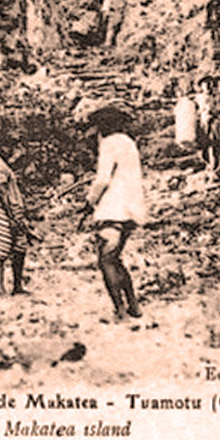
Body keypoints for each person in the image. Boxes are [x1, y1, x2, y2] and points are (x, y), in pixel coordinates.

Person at [79, 106, 145, 321]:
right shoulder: (129, 142)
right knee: (116, 259)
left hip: (112, 209)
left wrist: (90, 202)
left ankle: (120, 310)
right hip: (131, 208)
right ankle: (133, 305)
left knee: (106, 261)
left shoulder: (108, 144)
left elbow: (102, 180)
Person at [0, 154, 33, 296]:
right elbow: (1, 192)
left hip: (13, 209)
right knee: (1, 248)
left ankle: (17, 286)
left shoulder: (2, 165)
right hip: (3, 210)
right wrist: (11, 216)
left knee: (20, 248)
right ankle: (0, 289)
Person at [194, 75, 220, 181]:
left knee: (215, 146)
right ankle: (208, 166)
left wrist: (213, 112)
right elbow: (195, 110)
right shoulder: (198, 98)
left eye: (210, 84)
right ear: (202, 86)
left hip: (214, 123)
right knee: (204, 148)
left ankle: (216, 170)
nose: (208, 87)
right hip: (203, 123)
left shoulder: (217, 97)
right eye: (205, 84)